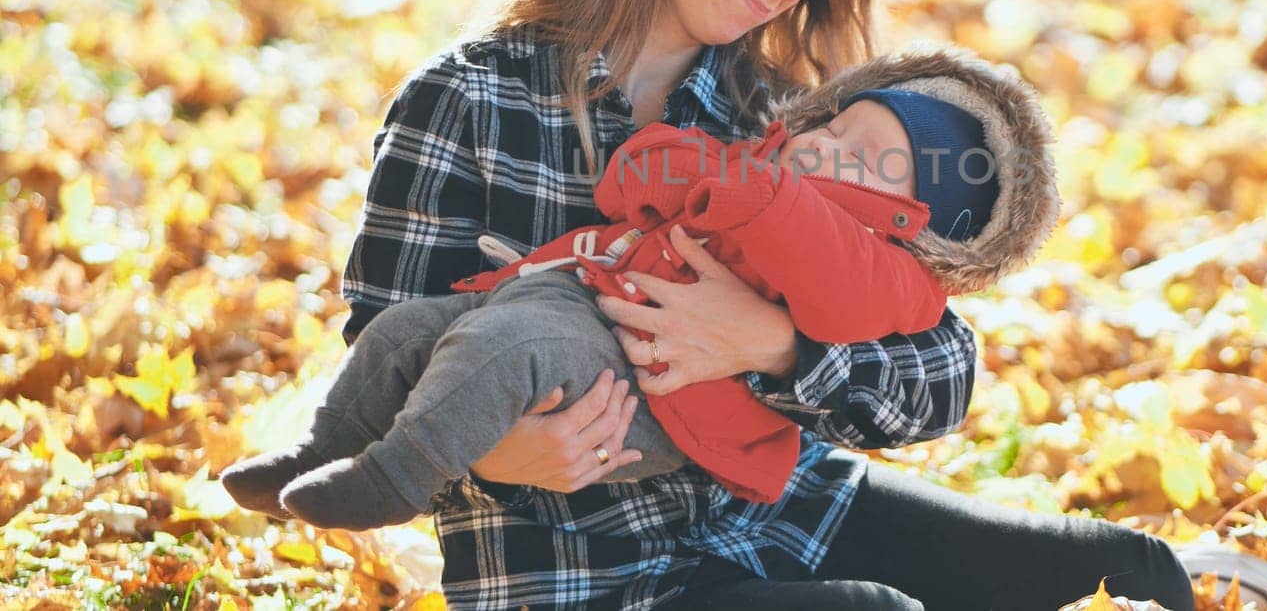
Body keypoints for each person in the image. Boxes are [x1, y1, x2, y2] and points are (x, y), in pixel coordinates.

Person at [321, 0, 1200, 610]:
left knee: (1136, 575)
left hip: (786, 510)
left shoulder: (781, 118)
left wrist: (772, 344)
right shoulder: (470, 98)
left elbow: (942, 370)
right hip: (590, 569)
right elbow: (383, 347)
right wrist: (498, 450)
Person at [220, 49, 1057, 528]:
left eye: (862, 159)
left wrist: (768, 339)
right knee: (408, 331)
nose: (826, 148)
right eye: (834, 128)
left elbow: (910, 350)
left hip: (655, 388)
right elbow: (634, 196)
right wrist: (675, 171)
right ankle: (324, 449)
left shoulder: (874, 263)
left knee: (508, 347)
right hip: (576, 309)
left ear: (904, 217)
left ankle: (392, 481)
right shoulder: (475, 91)